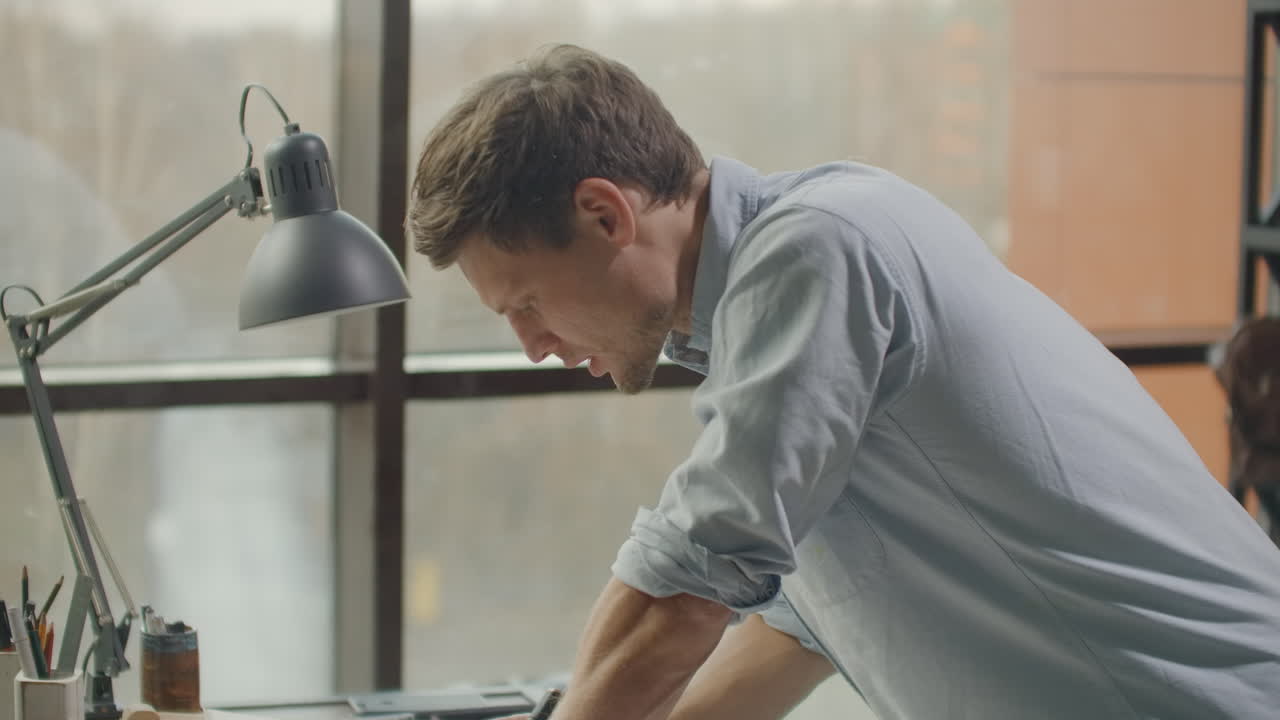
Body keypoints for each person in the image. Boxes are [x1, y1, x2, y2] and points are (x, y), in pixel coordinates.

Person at [407, 44, 1280, 720]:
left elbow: (696, 569)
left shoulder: (818, 248)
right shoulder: (771, 312)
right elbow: (804, 625)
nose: (531, 346)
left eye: (525, 303)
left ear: (605, 215)